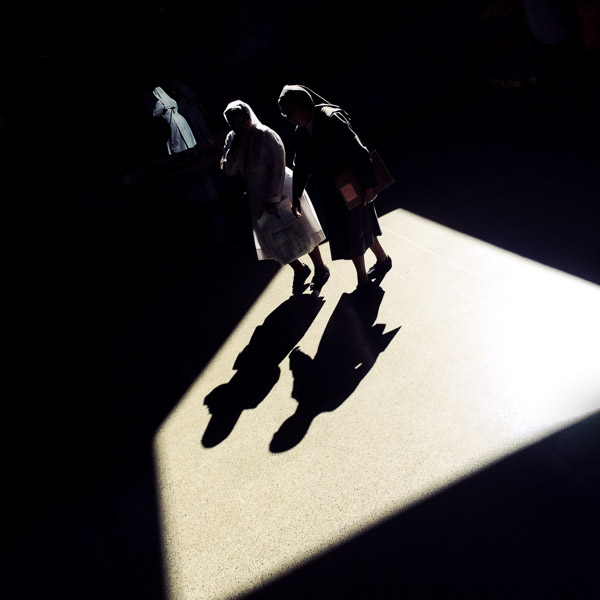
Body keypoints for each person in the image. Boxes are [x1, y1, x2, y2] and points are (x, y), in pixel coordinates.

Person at [277, 84, 391, 292]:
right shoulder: (301, 130)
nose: (288, 117)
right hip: (331, 190)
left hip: (350, 184)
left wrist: (368, 185)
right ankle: (383, 260)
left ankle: (362, 280)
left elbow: (359, 151)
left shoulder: (330, 119)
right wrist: (295, 198)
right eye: (284, 114)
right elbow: (300, 166)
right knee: (359, 225)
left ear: (304, 106)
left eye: (290, 112)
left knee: (354, 230)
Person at [220, 100, 329, 294]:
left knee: (299, 229)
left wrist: (273, 196)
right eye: (233, 125)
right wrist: (234, 148)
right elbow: (228, 170)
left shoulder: (265, 134)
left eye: (242, 123)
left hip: (280, 188)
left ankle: (320, 267)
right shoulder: (232, 138)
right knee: (274, 236)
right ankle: (300, 269)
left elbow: (278, 166)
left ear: (248, 117)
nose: (238, 128)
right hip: (256, 194)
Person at [152, 86, 197, 155]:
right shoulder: (171, 100)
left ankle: (186, 157)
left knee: (178, 140)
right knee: (187, 137)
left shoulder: (160, 103)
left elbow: (155, 114)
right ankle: (194, 154)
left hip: (173, 122)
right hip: (181, 119)